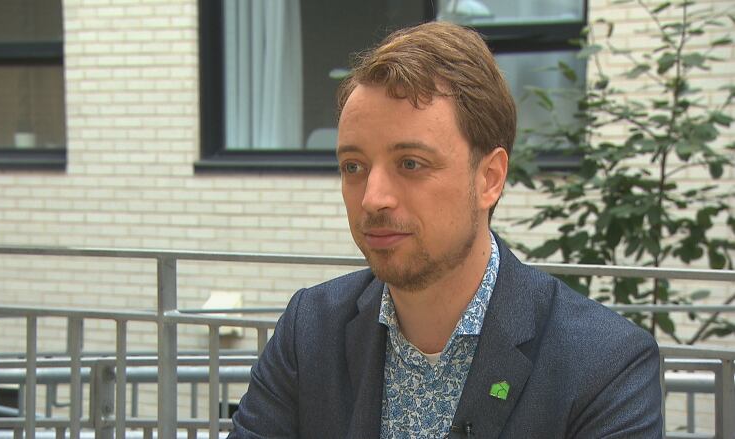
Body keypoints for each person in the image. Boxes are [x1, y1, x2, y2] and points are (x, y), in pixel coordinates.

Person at [228, 21, 662, 438]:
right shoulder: (310, 330)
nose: (372, 197)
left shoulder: (604, 364)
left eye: (411, 163)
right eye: (353, 166)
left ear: (489, 178)